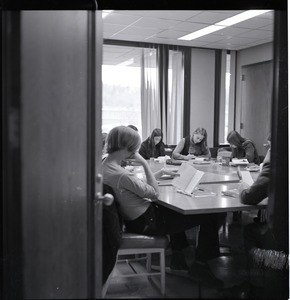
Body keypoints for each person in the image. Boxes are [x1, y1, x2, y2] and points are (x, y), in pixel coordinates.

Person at [102, 125, 226, 287]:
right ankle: (200, 265)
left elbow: (132, 185)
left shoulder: (106, 164)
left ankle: (178, 253)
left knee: (174, 208)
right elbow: (153, 193)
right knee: (210, 214)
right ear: (130, 148)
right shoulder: (120, 173)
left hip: (137, 219)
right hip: (148, 222)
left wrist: (159, 174)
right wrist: (144, 164)